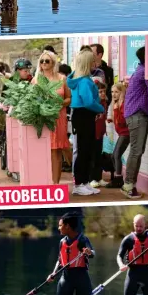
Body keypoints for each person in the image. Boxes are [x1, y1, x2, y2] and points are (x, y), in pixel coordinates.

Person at [48, 213, 95, 295]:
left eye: (61, 225)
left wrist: (88, 252)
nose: (59, 228)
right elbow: (60, 259)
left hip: (82, 279)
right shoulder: (62, 242)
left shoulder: (82, 240)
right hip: (65, 279)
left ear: (68, 226)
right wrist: (54, 273)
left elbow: (93, 253)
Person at [123, 47, 148, 199]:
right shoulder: (145, 71)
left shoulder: (139, 69)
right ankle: (128, 185)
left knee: (136, 150)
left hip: (134, 114)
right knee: (136, 151)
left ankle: (129, 184)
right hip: (137, 115)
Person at [67, 50, 104, 196]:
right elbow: (88, 101)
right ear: (88, 63)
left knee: (86, 150)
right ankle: (79, 184)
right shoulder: (84, 81)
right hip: (83, 115)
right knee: (83, 151)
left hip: (82, 115)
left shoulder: (81, 79)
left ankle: (84, 182)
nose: (96, 63)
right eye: (93, 60)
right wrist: (100, 107)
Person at [33, 51, 70, 184]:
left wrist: (59, 104)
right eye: (42, 61)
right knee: (43, 151)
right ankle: (44, 182)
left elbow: (68, 98)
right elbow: (31, 100)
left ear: (53, 62)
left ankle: (55, 184)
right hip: (43, 120)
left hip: (58, 119)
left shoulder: (61, 78)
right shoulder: (36, 79)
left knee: (56, 151)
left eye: (47, 61)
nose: (44, 63)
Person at [107, 82, 129, 188]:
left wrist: (115, 110)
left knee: (116, 155)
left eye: (116, 92)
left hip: (126, 133)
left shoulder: (122, 104)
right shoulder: (116, 104)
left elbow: (122, 121)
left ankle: (118, 178)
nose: (113, 94)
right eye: (112, 92)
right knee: (114, 155)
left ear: (122, 92)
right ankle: (117, 177)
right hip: (122, 133)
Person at [89, 78, 108, 189]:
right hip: (93, 133)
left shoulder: (104, 103)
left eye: (104, 91)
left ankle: (98, 177)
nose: (103, 93)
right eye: (100, 91)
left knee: (98, 155)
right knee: (92, 156)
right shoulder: (94, 104)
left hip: (100, 132)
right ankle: (91, 178)